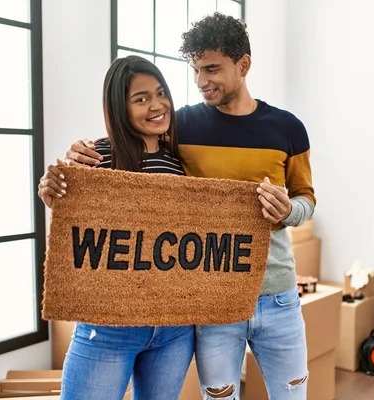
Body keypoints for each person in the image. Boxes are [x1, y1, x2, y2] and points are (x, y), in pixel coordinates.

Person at [42, 12, 315, 400]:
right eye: (196, 71)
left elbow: (307, 198)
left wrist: (289, 211)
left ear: (244, 65)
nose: (202, 81)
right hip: (207, 298)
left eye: (212, 69)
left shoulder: (287, 128)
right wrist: (67, 168)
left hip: (274, 295)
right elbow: (115, 166)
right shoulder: (181, 127)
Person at [38, 55, 192, 400]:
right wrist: (53, 190)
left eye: (161, 93)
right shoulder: (98, 156)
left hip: (173, 328)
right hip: (108, 325)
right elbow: (71, 220)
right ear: (119, 108)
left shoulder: (178, 162)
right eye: (141, 99)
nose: (157, 105)